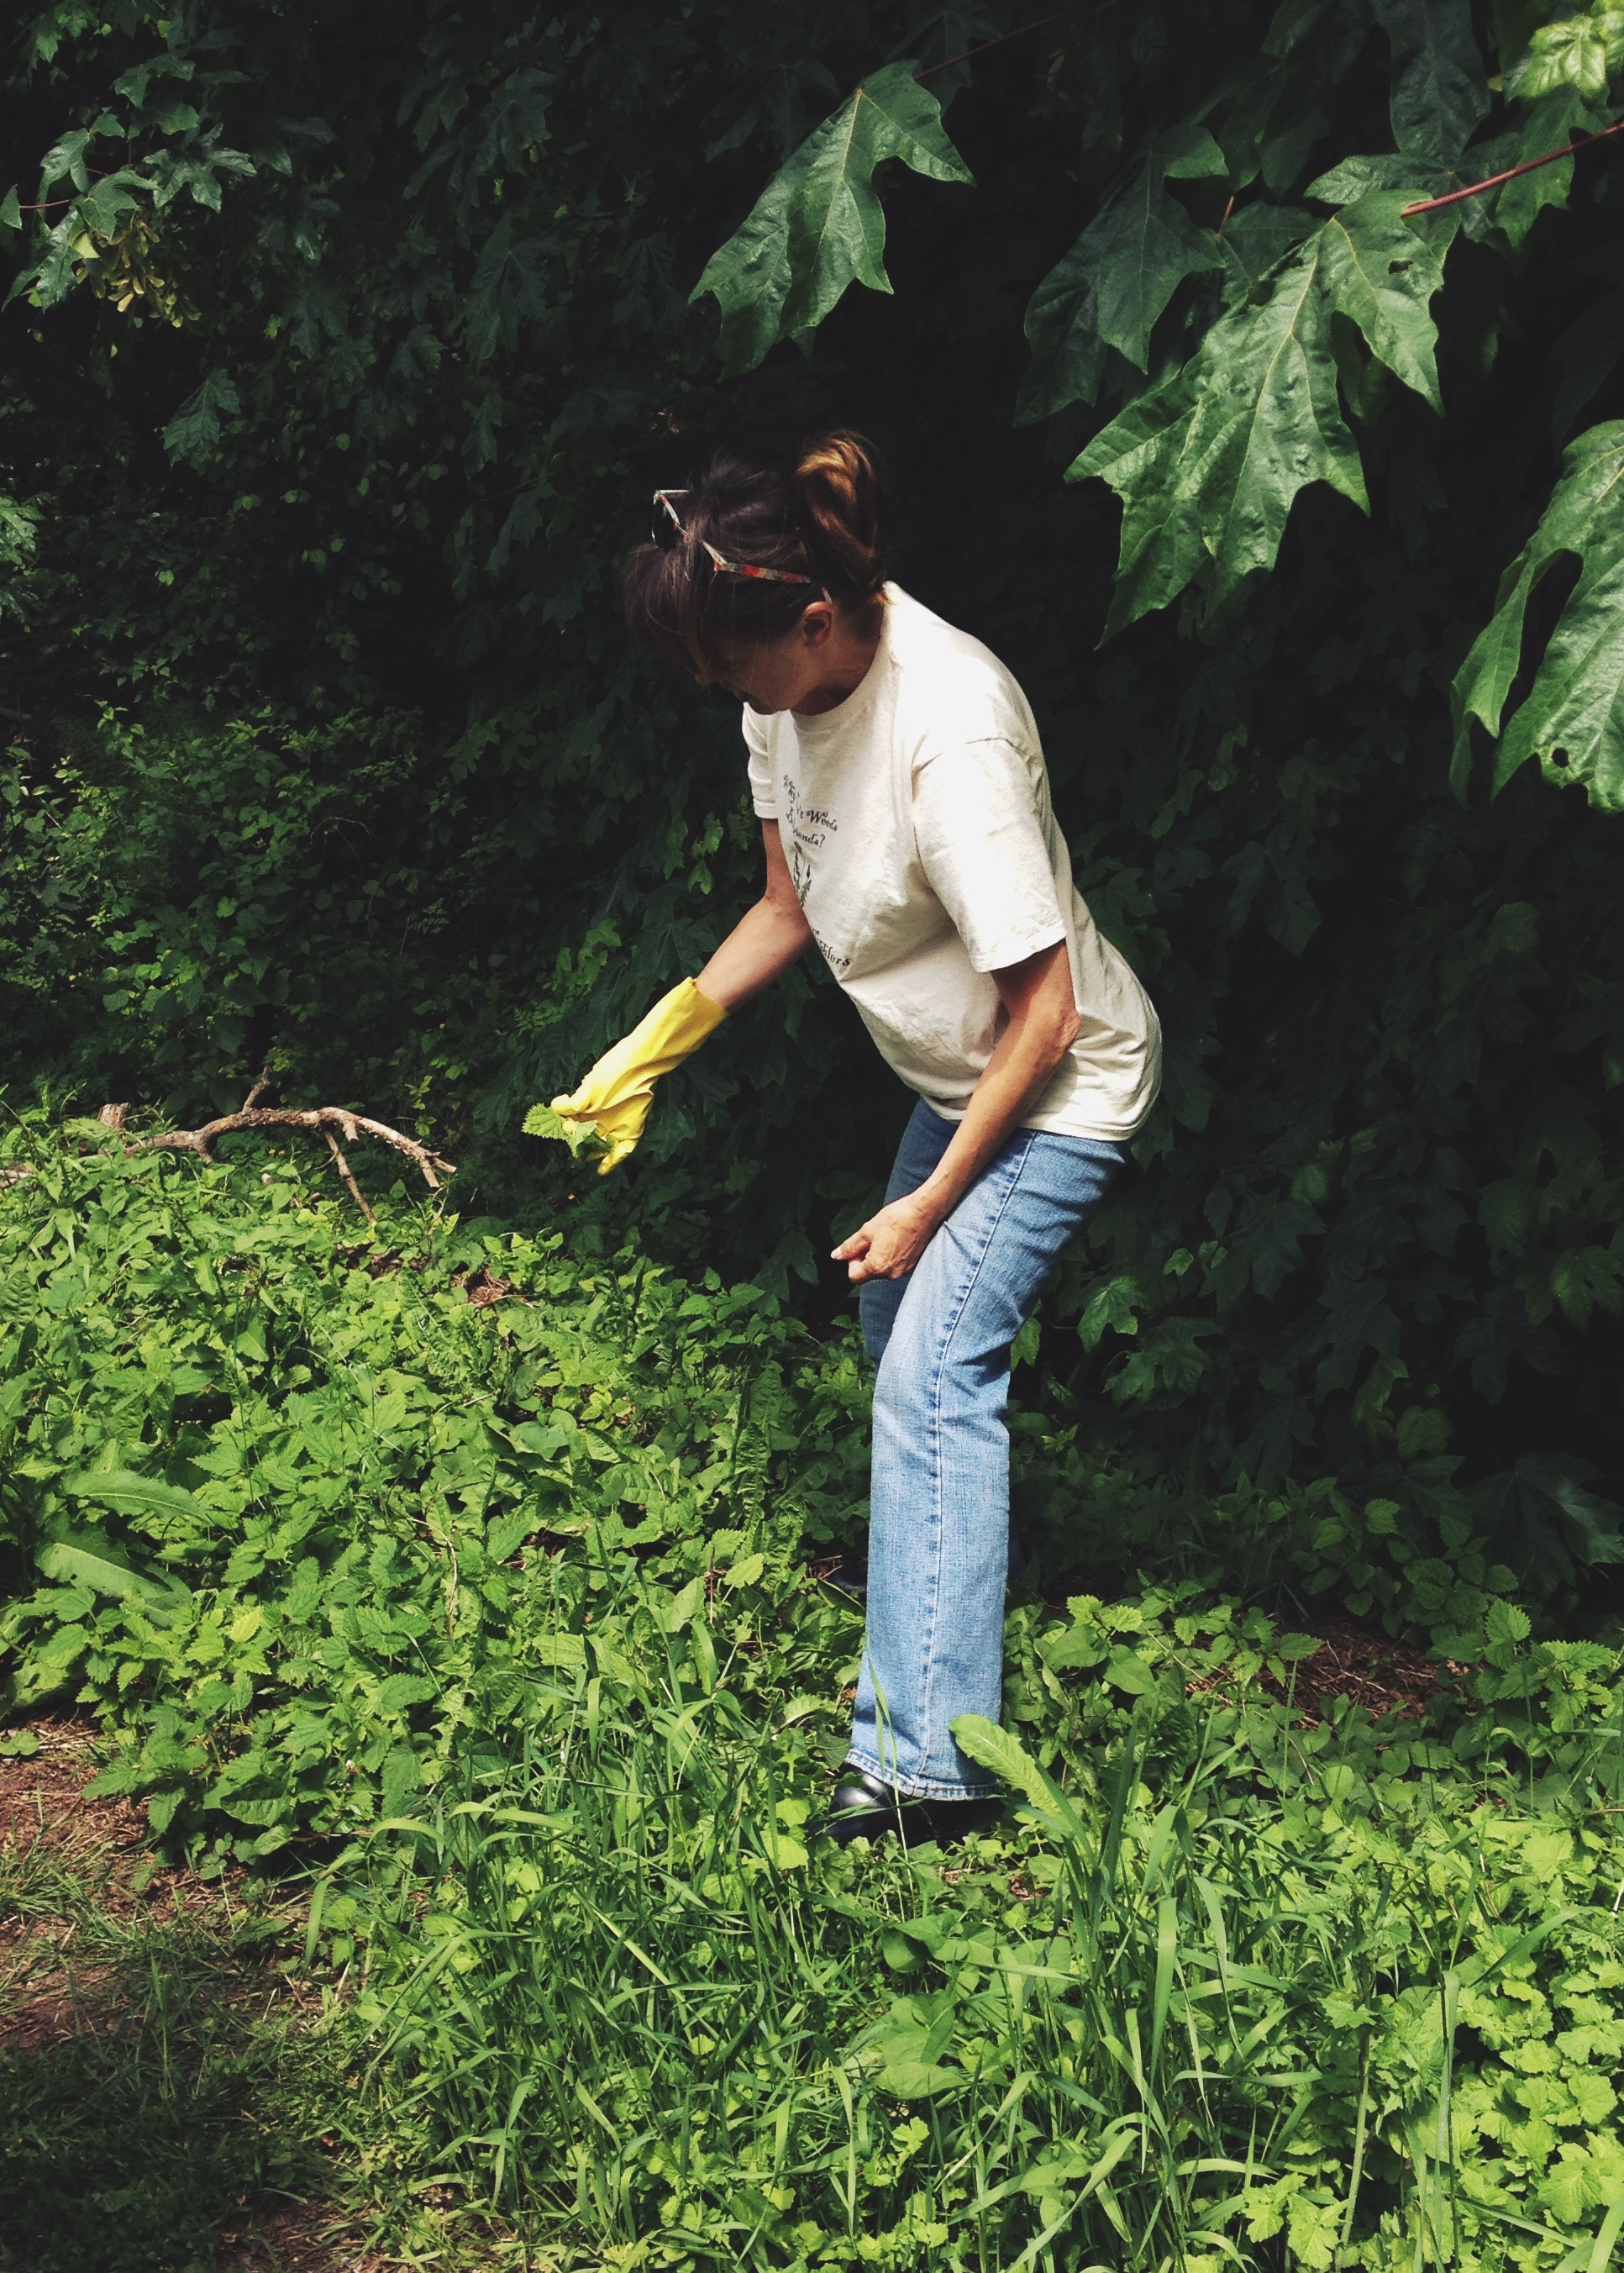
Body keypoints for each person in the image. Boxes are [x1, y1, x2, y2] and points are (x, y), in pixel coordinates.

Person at [528, 432, 1161, 1845]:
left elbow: (1047, 1014)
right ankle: (952, 1602)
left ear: (813, 617)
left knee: (932, 1370)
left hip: (1057, 1082)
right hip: (961, 1076)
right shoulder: (779, 690)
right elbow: (786, 902)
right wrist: (651, 1047)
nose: (720, 691)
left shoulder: (953, 731)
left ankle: (924, 1772)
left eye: (730, 664)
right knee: (899, 1348)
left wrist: (929, 1204)